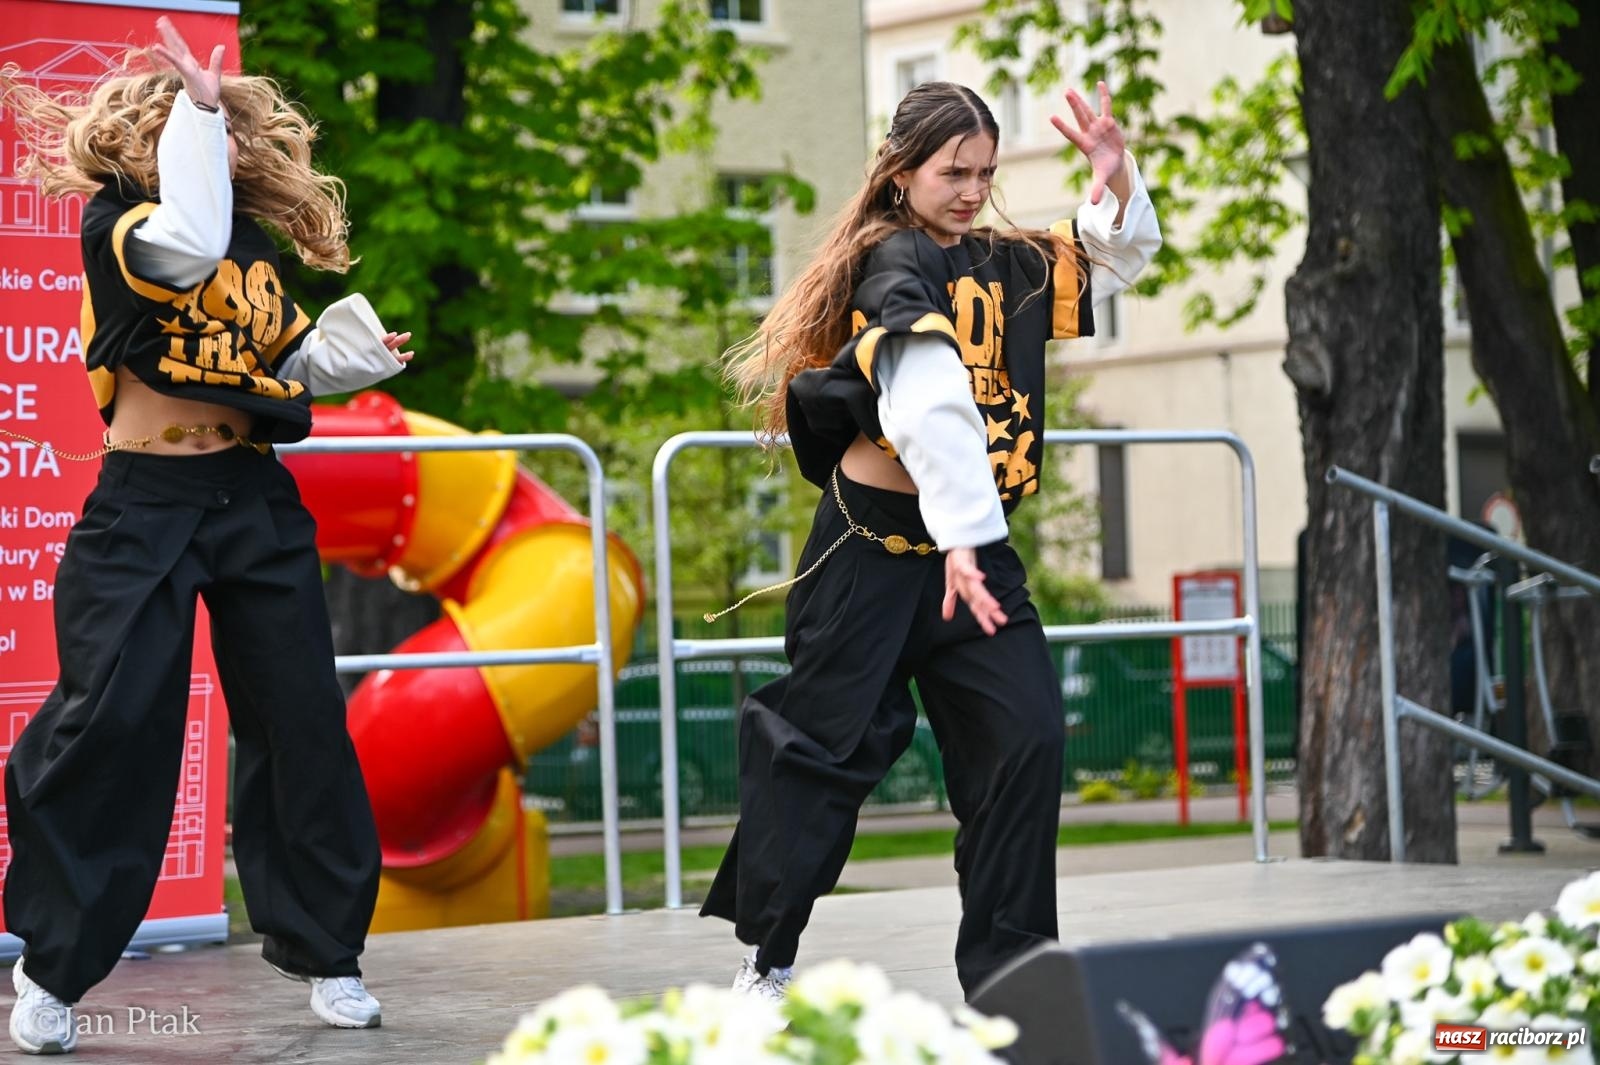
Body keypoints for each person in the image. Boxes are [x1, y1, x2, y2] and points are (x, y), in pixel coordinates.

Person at [1, 18, 411, 1053]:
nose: (227, 135)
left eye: (227, 122)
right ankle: (52, 968)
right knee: (115, 720)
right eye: (202, 121)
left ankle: (329, 956)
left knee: (301, 721)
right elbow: (183, 247)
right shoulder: (124, 226)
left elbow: (275, 358)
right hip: (144, 505)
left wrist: (347, 352)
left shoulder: (252, 247)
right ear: (153, 134)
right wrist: (193, 102)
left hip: (252, 499)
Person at [701, 79, 1161, 1001]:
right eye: (954, 171)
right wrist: (961, 536)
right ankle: (768, 963)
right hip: (872, 556)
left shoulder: (1001, 259)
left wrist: (1113, 180)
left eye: (985, 173)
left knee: (1024, 739)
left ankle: (1013, 974)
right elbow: (928, 400)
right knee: (821, 757)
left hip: (971, 554)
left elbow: (1108, 259)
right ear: (902, 170)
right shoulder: (891, 265)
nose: (970, 188)